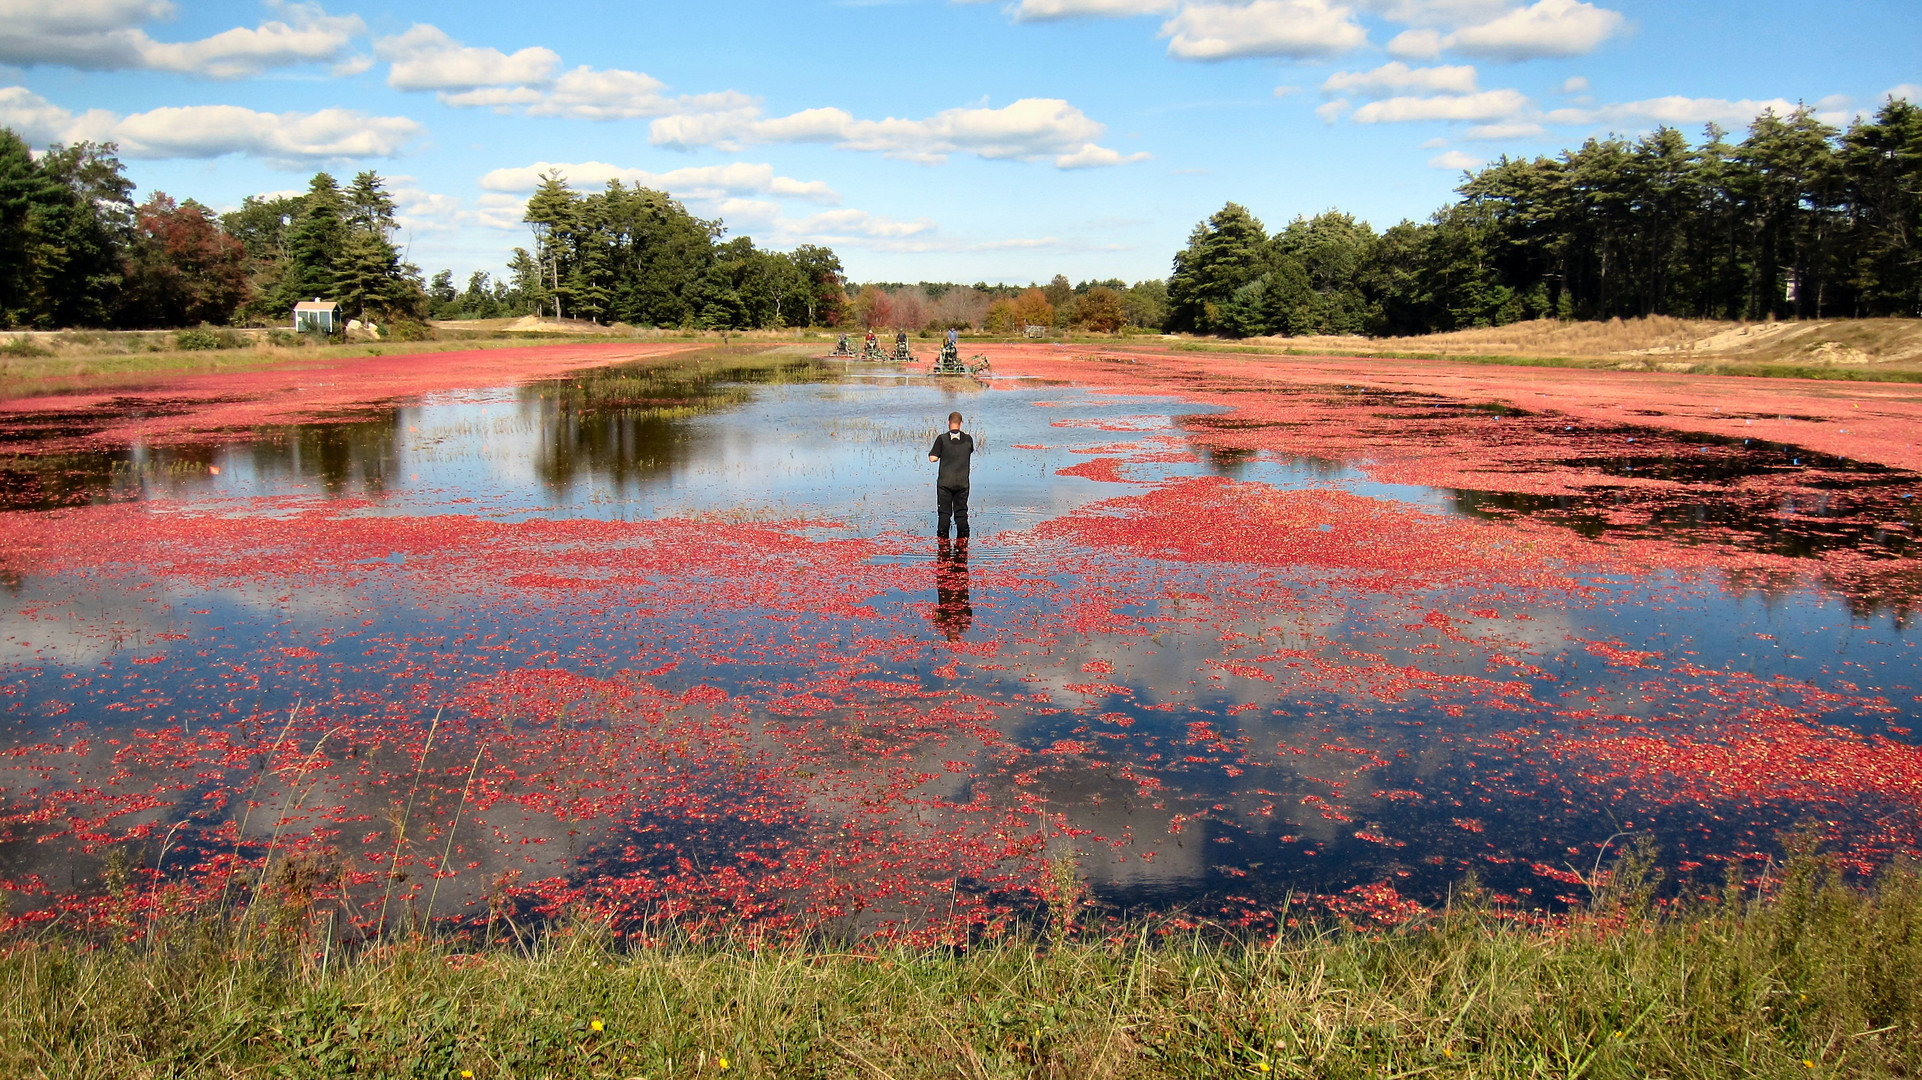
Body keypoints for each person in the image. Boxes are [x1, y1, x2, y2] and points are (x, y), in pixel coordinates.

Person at [927, 410, 973, 539]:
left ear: (948, 423)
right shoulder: (968, 439)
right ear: (961, 423)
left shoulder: (942, 439)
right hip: (962, 483)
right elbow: (969, 450)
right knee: (961, 512)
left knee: (944, 513)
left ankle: (942, 542)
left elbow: (933, 458)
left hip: (945, 483)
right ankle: (964, 541)